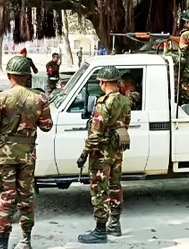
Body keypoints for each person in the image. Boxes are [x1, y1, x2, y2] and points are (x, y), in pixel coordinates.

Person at [0, 56, 54, 249]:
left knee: (6, 199)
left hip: (3, 156)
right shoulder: (40, 99)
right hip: (27, 155)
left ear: (9, 75)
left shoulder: (1, 98)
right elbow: (47, 126)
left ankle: (3, 244)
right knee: (26, 197)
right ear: (27, 76)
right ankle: (25, 241)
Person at [76, 66, 131, 244]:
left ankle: (100, 231)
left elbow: (96, 133)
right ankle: (114, 224)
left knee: (99, 189)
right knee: (115, 186)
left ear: (104, 82)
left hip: (102, 153)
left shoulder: (103, 102)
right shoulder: (125, 100)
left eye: (100, 81)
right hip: (116, 151)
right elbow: (124, 124)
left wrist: (84, 154)